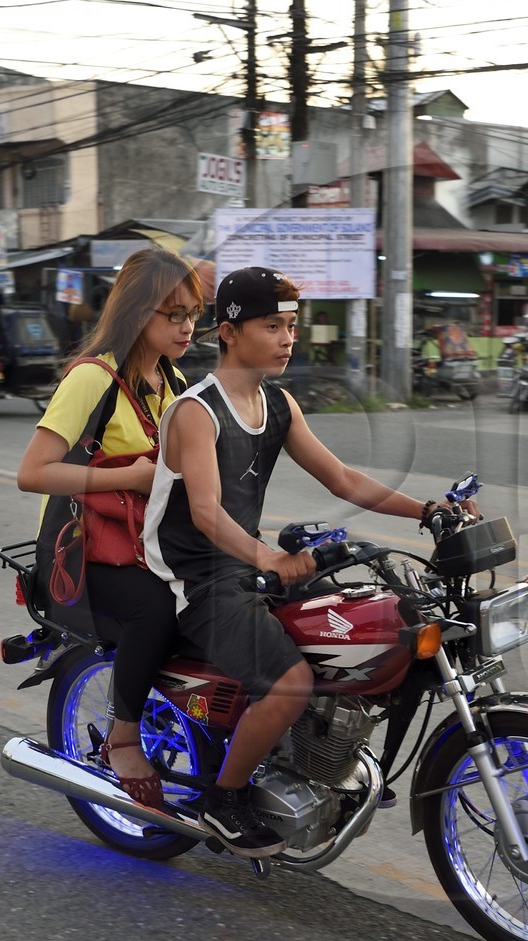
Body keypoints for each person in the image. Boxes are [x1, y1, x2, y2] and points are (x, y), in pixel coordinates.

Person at [142, 266, 477, 858]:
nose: (287, 339)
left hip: (245, 565)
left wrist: (428, 510)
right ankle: (224, 799)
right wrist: (270, 557)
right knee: (290, 683)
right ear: (229, 332)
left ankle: (318, 760)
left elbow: (342, 478)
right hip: (194, 578)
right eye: (272, 326)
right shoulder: (197, 411)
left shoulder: (277, 403)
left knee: (354, 634)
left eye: (292, 326)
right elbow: (205, 513)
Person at [16, 247, 206, 806]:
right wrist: (132, 476)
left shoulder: (172, 379)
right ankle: (122, 739)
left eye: (194, 314)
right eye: (174, 314)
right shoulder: (92, 378)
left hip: (151, 543)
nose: (188, 327)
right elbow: (33, 473)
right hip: (86, 555)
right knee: (157, 609)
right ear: (138, 312)